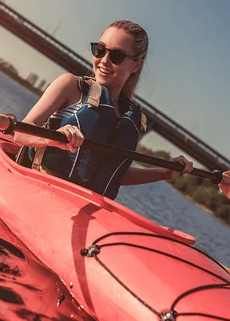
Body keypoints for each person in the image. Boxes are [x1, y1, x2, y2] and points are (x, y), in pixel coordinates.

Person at [14, 20, 193, 199]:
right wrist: (53, 139)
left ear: (136, 65)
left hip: (81, 207)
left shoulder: (131, 119)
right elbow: (20, 132)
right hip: (39, 193)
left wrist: (164, 173)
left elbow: (114, 173)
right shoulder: (70, 86)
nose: (104, 60)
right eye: (100, 50)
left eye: (117, 56)